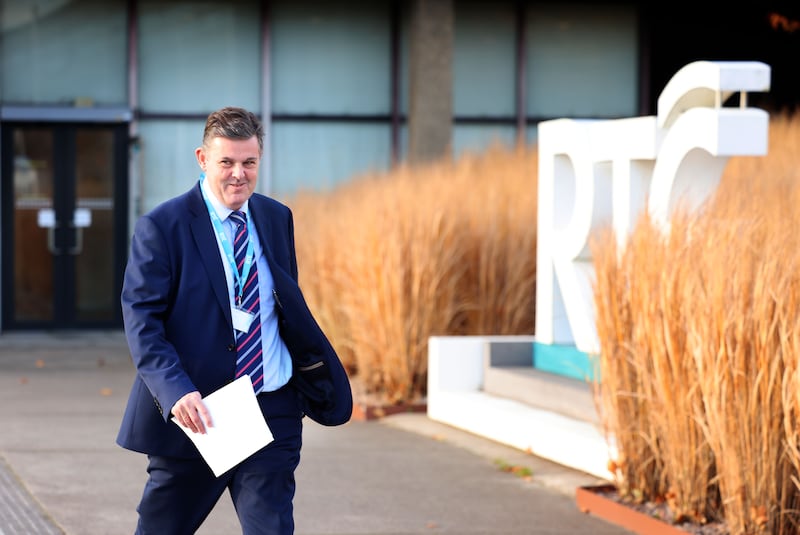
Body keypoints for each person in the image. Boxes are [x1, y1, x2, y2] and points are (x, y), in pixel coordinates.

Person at [117, 106, 352, 535]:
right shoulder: (163, 226)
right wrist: (176, 393)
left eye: (249, 162)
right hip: (200, 413)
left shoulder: (275, 217)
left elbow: (281, 301)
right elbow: (142, 320)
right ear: (203, 159)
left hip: (270, 406)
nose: (238, 174)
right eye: (226, 162)